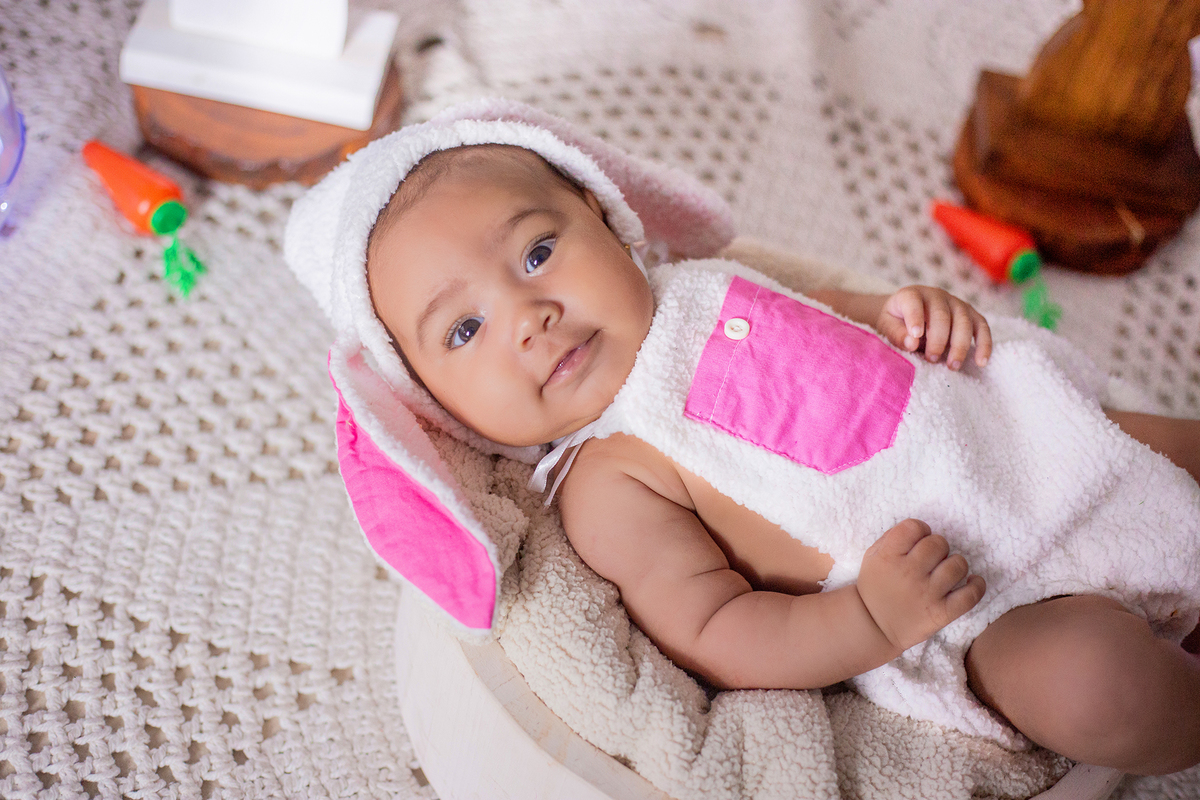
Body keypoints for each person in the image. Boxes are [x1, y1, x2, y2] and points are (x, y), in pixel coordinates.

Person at [296, 106, 1200, 775]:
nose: (529, 318)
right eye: (463, 331)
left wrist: (911, 312)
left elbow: (845, 318)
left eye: (536, 254)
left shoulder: (705, 285)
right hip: (977, 611)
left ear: (610, 222)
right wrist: (871, 620)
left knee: (1175, 447)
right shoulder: (606, 478)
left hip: (1034, 448)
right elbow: (717, 631)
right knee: (1101, 689)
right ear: (440, 409)